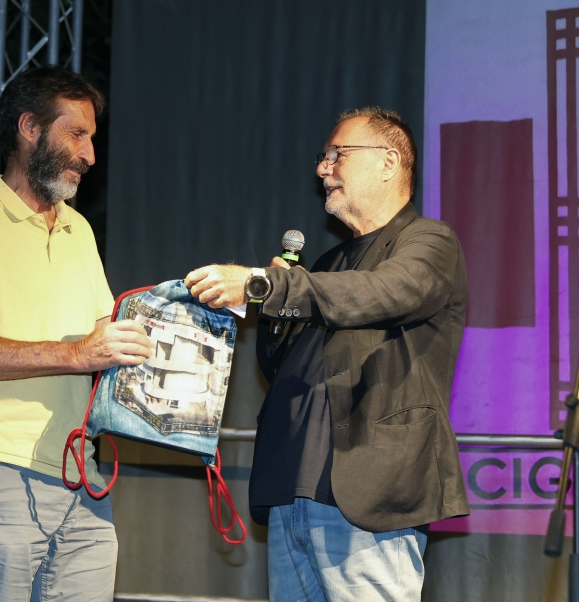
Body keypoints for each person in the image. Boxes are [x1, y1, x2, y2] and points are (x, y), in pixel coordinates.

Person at [184, 107, 469, 601]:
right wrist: (275, 315)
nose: (323, 168)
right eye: (323, 156)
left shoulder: (428, 241)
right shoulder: (329, 262)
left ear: (388, 162)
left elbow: (386, 293)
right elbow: (280, 366)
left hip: (366, 491)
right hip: (292, 488)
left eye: (338, 154)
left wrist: (264, 285)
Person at [0, 65, 152, 602]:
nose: (90, 155)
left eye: (92, 139)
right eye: (77, 134)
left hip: (81, 477)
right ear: (29, 127)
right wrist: (80, 353)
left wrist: (183, 331)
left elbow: (105, 343)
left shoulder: (78, 229)